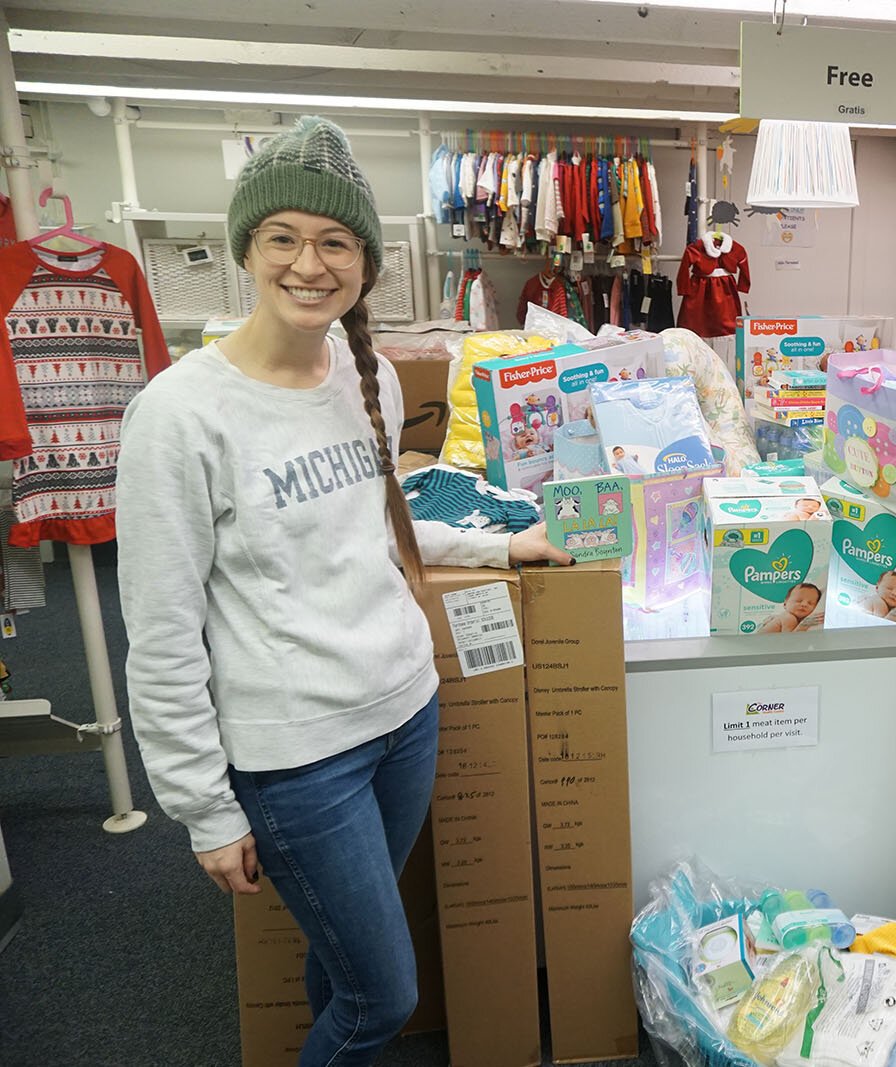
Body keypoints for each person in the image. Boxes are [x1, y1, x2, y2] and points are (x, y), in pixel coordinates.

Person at [116, 117, 573, 1067]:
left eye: (335, 242)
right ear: (247, 249)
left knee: (347, 967)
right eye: (282, 236)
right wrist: (203, 806)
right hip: (297, 758)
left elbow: (377, 524)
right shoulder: (179, 414)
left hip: (407, 713)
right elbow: (160, 631)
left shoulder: (364, 378)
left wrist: (498, 543)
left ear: (364, 262)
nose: (309, 263)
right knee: (383, 997)